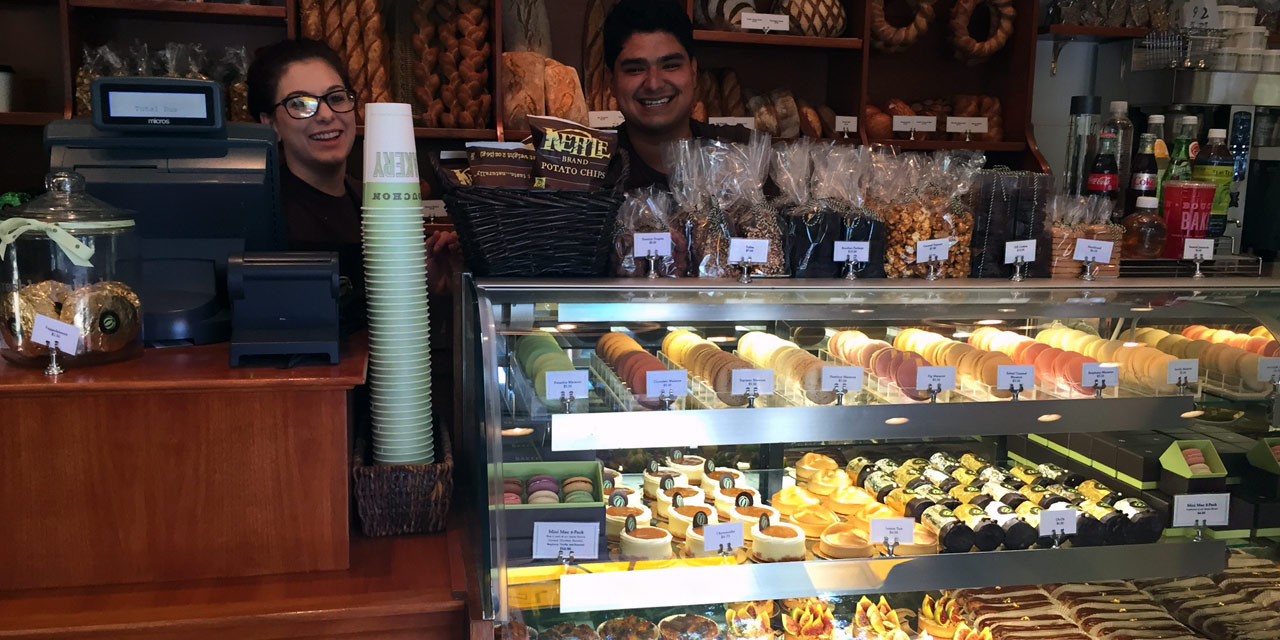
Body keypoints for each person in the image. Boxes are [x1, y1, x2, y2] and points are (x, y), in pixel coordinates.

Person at [247, 39, 459, 295]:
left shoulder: (373, 202)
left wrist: (425, 283)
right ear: (270, 125)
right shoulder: (261, 216)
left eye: (336, 98)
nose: (326, 114)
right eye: (300, 104)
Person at [603, 0, 750, 189]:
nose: (654, 84)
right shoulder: (592, 168)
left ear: (694, 72)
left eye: (671, 66)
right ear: (611, 82)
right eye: (635, 69)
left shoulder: (741, 150)